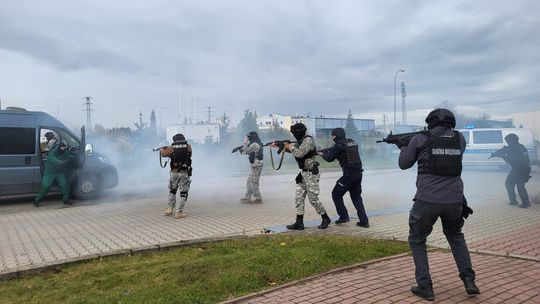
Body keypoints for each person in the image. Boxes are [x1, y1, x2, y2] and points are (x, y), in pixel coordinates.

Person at [398, 108, 479, 301]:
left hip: (427, 200)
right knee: (456, 237)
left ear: (431, 122)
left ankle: (425, 286)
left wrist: (403, 147)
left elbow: (404, 163)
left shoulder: (420, 139)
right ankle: (469, 280)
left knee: (417, 240)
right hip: (455, 201)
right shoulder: (460, 139)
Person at [279, 123, 331, 230]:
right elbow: (297, 151)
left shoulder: (308, 140)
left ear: (300, 132)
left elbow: (299, 153)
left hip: (311, 173)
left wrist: (290, 146)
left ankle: (325, 218)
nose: (293, 135)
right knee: (299, 197)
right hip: (303, 173)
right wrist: (282, 146)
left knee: (313, 199)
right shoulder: (301, 141)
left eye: (294, 133)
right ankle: (299, 222)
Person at [320, 127, 369, 228]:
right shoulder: (352, 142)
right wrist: (332, 150)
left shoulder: (339, 145)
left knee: (336, 194)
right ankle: (364, 221)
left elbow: (329, 158)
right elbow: (340, 151)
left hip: (349, 175)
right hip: (358, 174)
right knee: (356, 197)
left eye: (333, 136)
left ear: (335, 136)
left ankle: (344, 217)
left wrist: (321, 154)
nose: (332, 137)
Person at [490, 133, 531, 208]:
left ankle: (524, 202)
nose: (507, 143)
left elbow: (511, 160)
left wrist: (504, 156)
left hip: (520, 170)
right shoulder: (520, 147)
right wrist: (495, 154)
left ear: (512, 140)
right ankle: (514, 201)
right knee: (509, 184)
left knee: (518, 186)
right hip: (520, 170)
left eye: (508, 141)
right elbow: (503, 151)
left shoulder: (515, 149)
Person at [160, 134, 192, 219]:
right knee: (183, 192)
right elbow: (190, 154)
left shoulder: (171, 147)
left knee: (172, 190)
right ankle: (179, 212)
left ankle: (170, 208)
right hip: (184, 172)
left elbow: (163, 154)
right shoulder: (188, 146)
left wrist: (162, 149)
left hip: (174, 172)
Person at [34, 143, 75, 207]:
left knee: (64, 184)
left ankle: (66, 199)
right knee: (46, 186)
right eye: (62, 148)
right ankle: (37, 200)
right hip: (50, 172)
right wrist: (61, 162)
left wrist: (71, 156)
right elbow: (53, 159)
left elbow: (71, 157)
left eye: (64, 148)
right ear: (58, 148)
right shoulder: (52, 152)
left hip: (59, 172)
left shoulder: (65, 152)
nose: (63, 150)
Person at [238, 131, 264, 204]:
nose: (247, 139)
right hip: (255, 164)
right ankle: (247, 197)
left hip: (256, 164)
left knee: (253, 182)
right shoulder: (255, 143)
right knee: (249, 181)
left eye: (248, 137)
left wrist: (245, 143)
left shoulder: (255, 144)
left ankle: (258, 199)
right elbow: (248, 151)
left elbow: (246, 151)